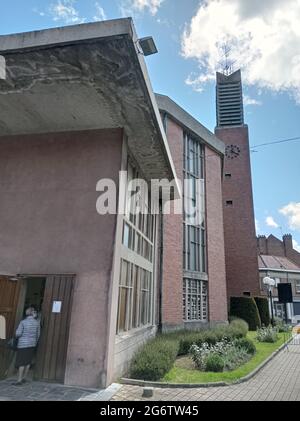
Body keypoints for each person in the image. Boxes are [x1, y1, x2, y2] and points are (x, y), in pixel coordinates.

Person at [13, 307, 40, 385]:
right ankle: (24, 377)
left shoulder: (23, 322)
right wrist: (34, 341)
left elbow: (18, 334)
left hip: (23, 344)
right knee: (28, 361)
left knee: (21, 362)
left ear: (27, 313)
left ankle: (19, 380)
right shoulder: (37, 323)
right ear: (33, 313)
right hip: (32, 344)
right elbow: (38, 335)